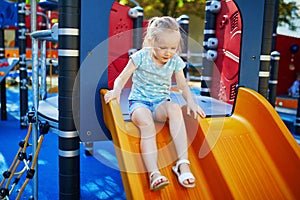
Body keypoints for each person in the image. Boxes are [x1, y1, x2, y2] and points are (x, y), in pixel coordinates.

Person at [104, 16, 206, 191]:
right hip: (139, 104)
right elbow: (123, 77)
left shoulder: (175, 61)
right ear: (151, 42)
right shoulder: (140, 57)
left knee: (174, 109)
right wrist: (116, 92)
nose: (168, 52)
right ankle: (154, 173)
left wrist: (192, 102)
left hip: (160, 103)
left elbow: (182, 85)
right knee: (147, 124)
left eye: (173, 48)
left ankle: (182, 164)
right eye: (163, 47)